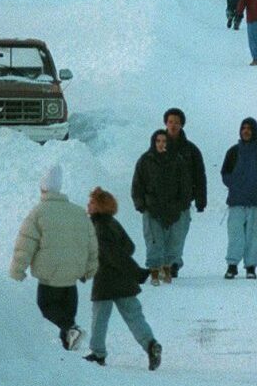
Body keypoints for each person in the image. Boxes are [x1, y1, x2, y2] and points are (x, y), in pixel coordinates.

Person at [10, 164, 98, 352]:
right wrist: (90, 268)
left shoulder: (38, 212)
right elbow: (91, 243)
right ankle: (69, 341)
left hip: (49, 280)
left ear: (43, 189)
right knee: (67, 316)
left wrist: (16, 272)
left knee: (49, 314)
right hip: (71, 280)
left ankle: (69, 335)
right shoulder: (78, 212)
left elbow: (25, 245)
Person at [84, 187, 162, 372]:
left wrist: (136, 272)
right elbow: (129, 247)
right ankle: (151, 345)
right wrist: (125, 266)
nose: (88, 205)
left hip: (105, 281)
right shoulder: (112, 223)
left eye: (92, 202)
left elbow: (113, 256)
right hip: (123, 280)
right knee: (134, 316)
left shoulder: (98, 228)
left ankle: (98, 353)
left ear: (100, 206)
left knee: (99, 318)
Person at [220, 117, 257, 280]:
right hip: (236, 200)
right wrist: (232, 182)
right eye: (243, 128)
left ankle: (250, 267)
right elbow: (224, 172)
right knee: (235, 234)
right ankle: (232, 265)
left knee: (253, 235)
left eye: (249, 128)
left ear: (255, 131)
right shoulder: (233, 151)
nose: (246, 131)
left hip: (256, 201)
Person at [130, 130, 191, 285]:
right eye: (158, 141)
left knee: (173, 241)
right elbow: (137, 185)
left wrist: (182, 204)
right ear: (153, 142)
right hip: (152, 208)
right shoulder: (145, 161)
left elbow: (185, 186)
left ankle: (168, 268)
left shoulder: (178, 161)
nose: (161, 144)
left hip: (174, 208)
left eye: (164, 141)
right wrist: (141, 204)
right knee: (154, 240)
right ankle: (155, 270)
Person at [162, 108, 208, 276]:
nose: (173, 125)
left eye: (177, 122)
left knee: (178, 234)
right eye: (170, 121)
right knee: (162, 234)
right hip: (162, 200)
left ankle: (173, 263)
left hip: (182, 201)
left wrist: (201, 200)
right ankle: (162, 263)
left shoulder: (191, 150)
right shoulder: (158, 145)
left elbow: (199, 176)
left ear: (182, 124)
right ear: (166, 123)